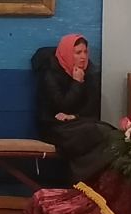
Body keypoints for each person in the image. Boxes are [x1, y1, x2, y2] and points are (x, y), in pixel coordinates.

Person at [35, 33, 109, 183]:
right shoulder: (51, 75)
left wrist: (75, 116)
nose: (83, 57)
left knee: (107, 132)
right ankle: (80, 180)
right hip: (53, 126)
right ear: (67, 54)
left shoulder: (89, 73)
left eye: (85, 52)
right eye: (78, 53)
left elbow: (92, 108)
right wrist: (77, 83)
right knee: (93, 132)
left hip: (77, 123)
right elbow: (61, 105)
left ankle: (88, 180)